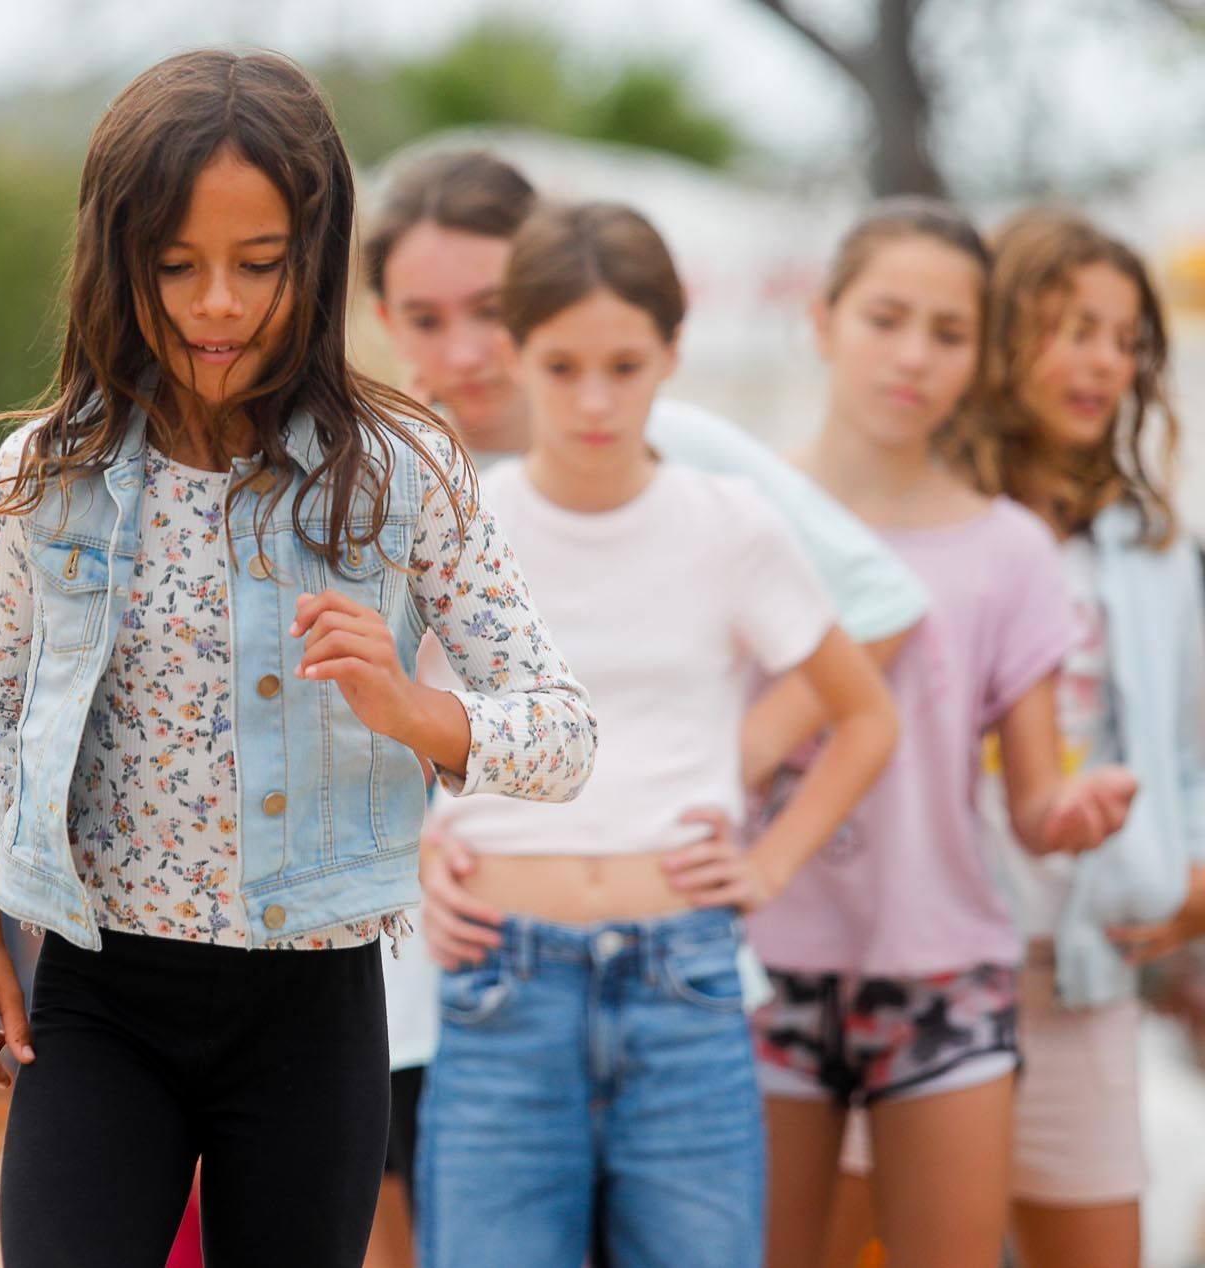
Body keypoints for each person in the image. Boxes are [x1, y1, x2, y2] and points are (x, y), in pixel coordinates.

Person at [0, 49, 597, 1268]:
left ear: (317, 258)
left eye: (257, 265)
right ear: (113, 259)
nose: (214, 302)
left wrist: (411, 707)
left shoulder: (402, 472)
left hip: (312, 1009)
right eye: (173, 265)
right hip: (99, 989)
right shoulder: (44, 473)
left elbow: (560, 735)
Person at [362, 147, 930, 1268]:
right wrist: (414, 854)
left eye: (622, 364)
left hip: (680, 965)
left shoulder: (716, 499)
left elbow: (866, 684)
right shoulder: (437, 506)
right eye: (559, 363)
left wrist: (749, 797)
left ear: (670, 354)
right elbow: (387, 718)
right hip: (490, 975)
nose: (590, 397)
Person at [744, 200, 1137, 1268]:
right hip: (750, 969)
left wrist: (1075, 811)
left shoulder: (1010, 550)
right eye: (884, 318)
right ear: (822, 321)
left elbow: (1031, 803)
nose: (911, 356)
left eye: (947, 332)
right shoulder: (730, 510)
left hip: (944, 977)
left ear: (979, 357)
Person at [826, 210, 1205, 1268]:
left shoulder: (1150, 548)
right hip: (911, 967)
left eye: (1123, 338)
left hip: (1075, 968)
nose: (1101, 360)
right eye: (1070, 326)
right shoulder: (926, 515)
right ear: (1002, 338)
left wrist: (1186, 874)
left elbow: (1182, 751)